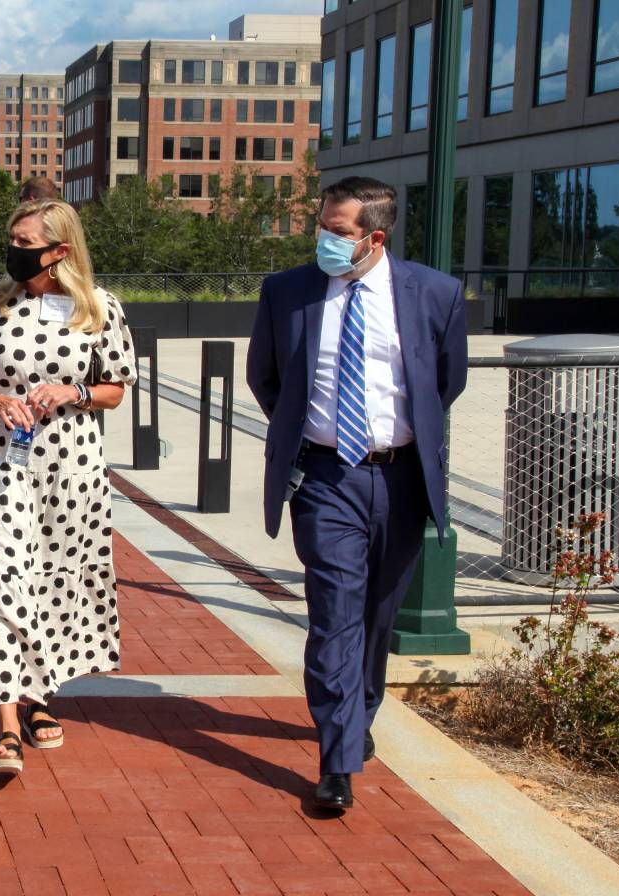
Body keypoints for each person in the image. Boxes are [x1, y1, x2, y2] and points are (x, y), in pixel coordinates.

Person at [247, 176, 466, 811]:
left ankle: (358, 714)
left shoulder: (435, 294)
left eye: (339, 232)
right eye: (322, 226)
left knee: (377, 614)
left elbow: (445, 382)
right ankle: (337, 760)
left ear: (375, 236)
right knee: (336, 611)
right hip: (324, 478)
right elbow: (266, 377)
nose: (325, 239)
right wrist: (308, 434)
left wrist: (396, 441)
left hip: (399, 477)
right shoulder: (286, 292)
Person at [0, 199, 136, 778]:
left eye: (26, 240)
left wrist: (71, 393)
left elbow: (114, 388)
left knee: (55, 577)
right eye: (13, 237)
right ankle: (5, 728)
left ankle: (39, 697)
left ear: (59, 250)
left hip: (71, 466)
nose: (14, 247)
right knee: (3, 576)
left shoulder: (97, 309)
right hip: (1, 462)